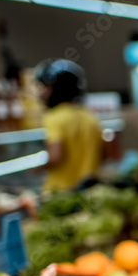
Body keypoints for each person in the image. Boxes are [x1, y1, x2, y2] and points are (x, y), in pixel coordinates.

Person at [36, 59, 103, 192]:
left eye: (46, 87)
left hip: (60, 191)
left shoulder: (53, 117)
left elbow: (56, 156)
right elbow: (107, 154)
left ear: (55, 89)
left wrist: (36, 167)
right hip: (89, 190)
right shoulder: (91, 117)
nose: (43, 93)